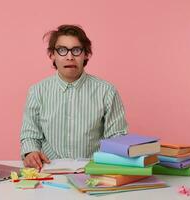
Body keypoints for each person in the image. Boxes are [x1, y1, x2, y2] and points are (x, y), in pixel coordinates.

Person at [20, 24, 128, 169]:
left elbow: (117, 137)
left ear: (86, 54)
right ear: (52, 55)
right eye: (62, 50)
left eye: (76, 50)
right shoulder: (37, 91)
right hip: (48, 170)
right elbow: (30, 135)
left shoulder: (106, 91)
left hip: (92, 171)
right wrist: (31, 152)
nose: (69, 57)